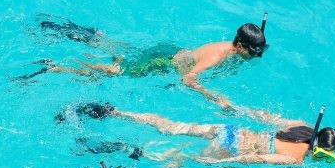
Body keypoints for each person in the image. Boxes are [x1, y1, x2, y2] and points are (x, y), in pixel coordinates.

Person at [31, 15, 269, 107]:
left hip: (172, 52)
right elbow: (188, 79)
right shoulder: (217, 56)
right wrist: (217, 98)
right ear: (239, 46)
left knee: (122, 52)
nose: (256, 57)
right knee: (115, 71)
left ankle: (93, 37)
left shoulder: (230, 49)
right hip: (163, 62)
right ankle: (57, 67)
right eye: (254, 53)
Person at [70, 103, 335, 166]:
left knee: (171, 126)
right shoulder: (296, 160)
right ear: (320, 150)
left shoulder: (299, 125)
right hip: (230, 148)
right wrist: (218, 163)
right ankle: (128, 148)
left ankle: (118, 112)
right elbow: (254, 160)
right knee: (178, 160)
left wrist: (229, 105)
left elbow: (261, 115)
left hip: (232, 131)